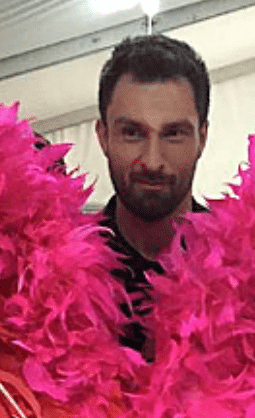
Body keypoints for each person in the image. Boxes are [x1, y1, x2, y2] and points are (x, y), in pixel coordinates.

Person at [95, 34, 210, 360]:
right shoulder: (52, 273)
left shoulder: (246, 269)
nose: (152, 161)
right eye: (132, 133)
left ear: (202, 138)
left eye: (173, 134)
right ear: (103, 137)